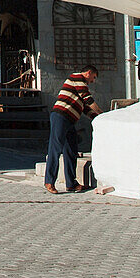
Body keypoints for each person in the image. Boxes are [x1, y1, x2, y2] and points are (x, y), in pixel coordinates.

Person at [44, 65, 102, 194]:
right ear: (88, 73)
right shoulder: (77, 78)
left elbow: (86, 109)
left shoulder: (80, 86)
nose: (92, 81)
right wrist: (101, 113)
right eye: (93, 78)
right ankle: (49, 181)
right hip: (60, 116)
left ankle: (71, 183)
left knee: (71, 150)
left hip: (70, 120)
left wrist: (98, 119)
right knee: (56, 148)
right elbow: (88, 99)